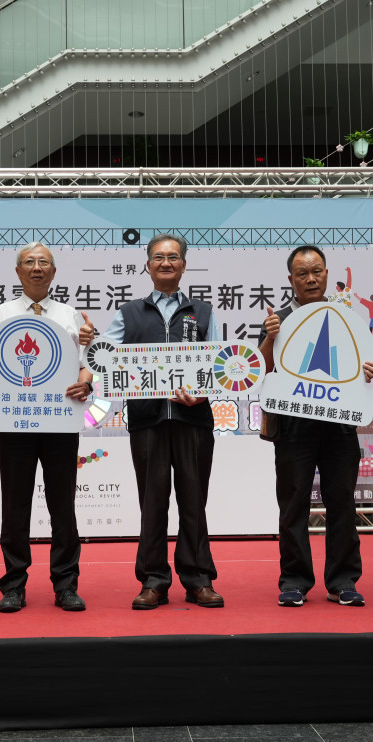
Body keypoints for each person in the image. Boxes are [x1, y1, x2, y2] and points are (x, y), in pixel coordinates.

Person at [0, 242, 95, 613]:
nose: (36, 268)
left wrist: (85, 382)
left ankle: (66, 584)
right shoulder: (1, 314)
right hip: (15, 421)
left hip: (59, 418)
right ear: (18, 272)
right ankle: (13, 585)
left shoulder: (72, 316)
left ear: (54, 273)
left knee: (63, 506)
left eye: (44, 263)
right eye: (29, 263)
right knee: (15, 505)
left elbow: (86, 366)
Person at [102, 233, 224, 610]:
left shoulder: (204, 312)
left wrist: (206, 390)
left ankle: (199, 579)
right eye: (158, 257)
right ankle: (153, 580)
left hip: (193, 419)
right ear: (148, 266)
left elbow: (219, 366)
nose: (166, 263)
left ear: (184, 266)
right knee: (152, 502)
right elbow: (105, 356)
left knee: (193, 502)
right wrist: (92, 344)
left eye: (173, 257)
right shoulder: (128, 313)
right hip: (147, 420)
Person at [259, 245, 373, 607]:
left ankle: (343, 581)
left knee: (341, 501)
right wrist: (269, 337)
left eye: (317, 271)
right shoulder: (278, 320)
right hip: (294, 425)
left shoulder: (347, 316)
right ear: (291, 280)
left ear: (327, 274)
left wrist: (367, 370)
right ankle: (294, 581)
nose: (310, 279)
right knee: (293, 503)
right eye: (302, 273)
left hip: (340, 424)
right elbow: (261, 369)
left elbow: (364, 365)